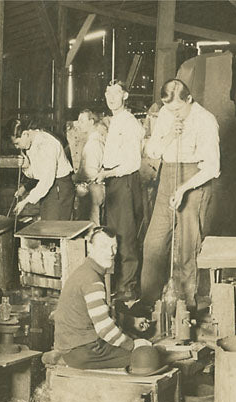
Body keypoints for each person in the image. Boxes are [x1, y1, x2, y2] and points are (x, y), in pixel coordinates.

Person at [141, 79, 220, 311]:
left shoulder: (206, 120)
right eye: (168, 107)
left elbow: (213, 168)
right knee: (153, 243)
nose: (173, 112)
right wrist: (170, 136)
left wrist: (184, 189)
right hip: (167, 176)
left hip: (194, 181)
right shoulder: (166, 114)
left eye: (177, 108)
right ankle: (148, 301)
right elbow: (152, 151)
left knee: (188, 246)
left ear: (189, 99)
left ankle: (187, 305)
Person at [52, 227, 151, 369]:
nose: (110, 253)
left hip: (73, 347)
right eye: (104, 246)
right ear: (90, 248)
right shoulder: (92, 280)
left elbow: (100, 314)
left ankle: (60, 357)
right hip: (84, 351)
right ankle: (60, 359)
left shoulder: (85, 271)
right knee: (145, 356)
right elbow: (104, 328)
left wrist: (131, 321)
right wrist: (133, 345)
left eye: (114, 247)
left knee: (134, 345)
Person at [97, 80, 145, 301]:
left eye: (116, 93)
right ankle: (119, 285)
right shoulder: (115, 120)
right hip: (114, 181)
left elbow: (133, 163)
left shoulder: (129, 123)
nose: (111, 97)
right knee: (114, 233)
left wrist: (108, 173)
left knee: (125, 235)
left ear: (125, 95)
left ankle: (128, 289)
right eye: (108, 93)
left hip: (125, 181)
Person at [6, 119, 75, 221]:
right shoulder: (31, 143)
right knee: (46, 223)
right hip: (50, 187)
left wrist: (25, 201)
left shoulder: (46, 144)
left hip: (59, 188)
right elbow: (38, 174)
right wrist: (27, 167)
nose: (17, 147)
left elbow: (47, 179)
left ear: (25, 134)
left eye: (17, 143)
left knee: (53, 226)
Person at [74, 109, 107, 225]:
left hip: (92, 190)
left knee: (92, 225)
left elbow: (91, 173)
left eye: (82, 121)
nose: (79, 124)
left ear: (91, 122)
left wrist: (76, 178)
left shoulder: (93, 143)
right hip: (95, 189)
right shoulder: (95, 140)